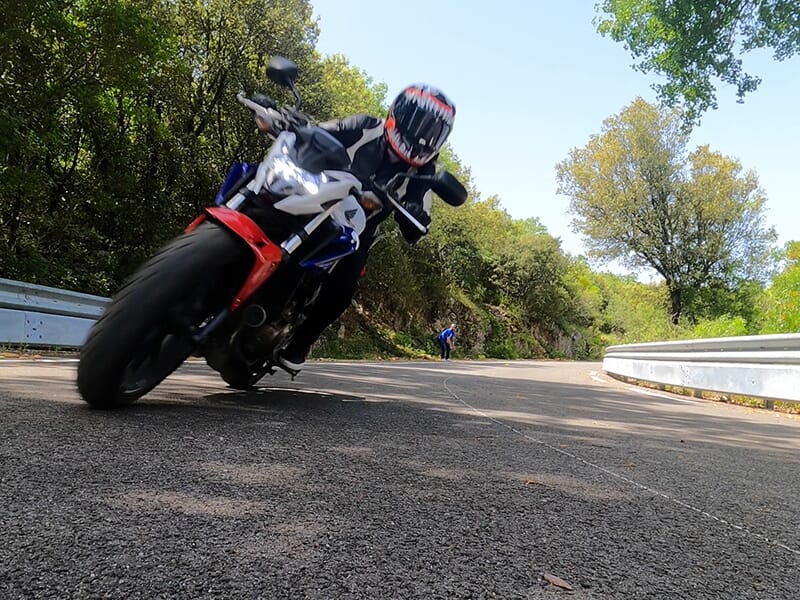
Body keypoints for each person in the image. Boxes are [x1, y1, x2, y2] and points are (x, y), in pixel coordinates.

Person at [274, 84, 457, 372]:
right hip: (314, 201)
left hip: (355, 233)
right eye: (419, 124)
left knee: (344, 287)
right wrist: (293, 124)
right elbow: (320, 133)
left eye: (433, 131)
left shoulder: (424, 171)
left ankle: (301, 343)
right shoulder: (365, 126)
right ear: (400, 114)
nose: (423, 136)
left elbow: (417, 220)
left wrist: (417, 215)